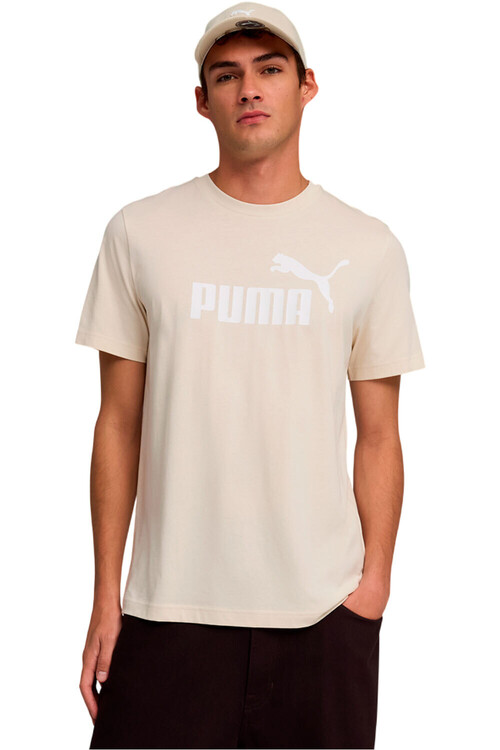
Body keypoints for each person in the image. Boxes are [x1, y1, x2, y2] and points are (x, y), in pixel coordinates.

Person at [75, 3, 425, 748]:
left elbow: (379, 435)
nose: (250, 89)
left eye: (270, 69)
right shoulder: (140, 233)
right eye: (227, 76)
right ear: (203, 101)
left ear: (307, 86)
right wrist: (107, 596)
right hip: (168, 608)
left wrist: (373, 588)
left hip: (322, 613)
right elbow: (118, 422)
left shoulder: (367, 247)